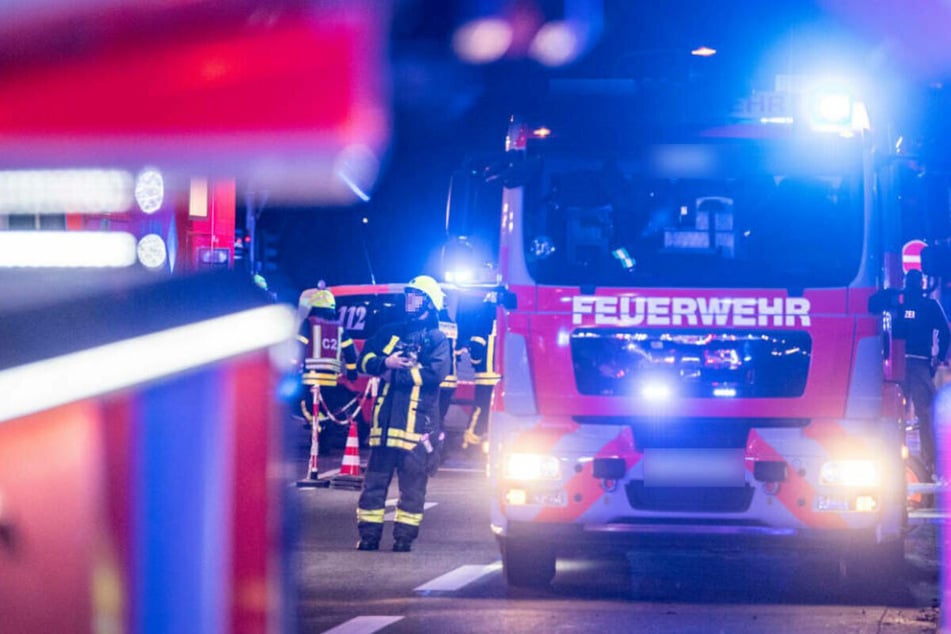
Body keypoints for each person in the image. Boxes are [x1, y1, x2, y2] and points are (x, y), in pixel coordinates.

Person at [355, 275, 450, 552]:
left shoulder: (437, 339)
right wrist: (386, 361)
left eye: (417, 296)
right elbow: (364, 360)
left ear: (430, 304)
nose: (410, 301)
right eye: (408, 295)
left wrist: (395, 373)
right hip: (383, 428)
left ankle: (403, 539)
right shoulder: (389, 332)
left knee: (413, 488)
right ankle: (368, 537)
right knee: (373, 486)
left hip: (417, 428)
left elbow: (435, 373)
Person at [896, 268, 950, 477]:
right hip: (920, 364)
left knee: (895, 416)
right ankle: (930, 464)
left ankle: (894, 458)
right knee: (925, 415)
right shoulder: (929, 305)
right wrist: (938, 358)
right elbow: (944, 331)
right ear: (922, 284)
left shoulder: (896, 303)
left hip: (897, 364)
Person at [296, 288, 358, 433]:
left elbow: (299, 346)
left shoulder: (308, 323)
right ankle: (323, 434)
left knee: (305, 406)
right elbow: (349, 351)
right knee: (328, 409)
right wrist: (352, 372)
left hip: (310, 377)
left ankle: (317, 429)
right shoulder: (339, 328)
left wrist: (292, 368)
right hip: (331, 379)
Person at [461, 291, 501, 451]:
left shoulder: (486, 315)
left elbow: (476, 344)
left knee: (481, 409)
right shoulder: (507, 315)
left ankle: (471, 443)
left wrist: (476, 363)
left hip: (487, 373)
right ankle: (476, 442)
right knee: (495, 410)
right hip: (502, 374)